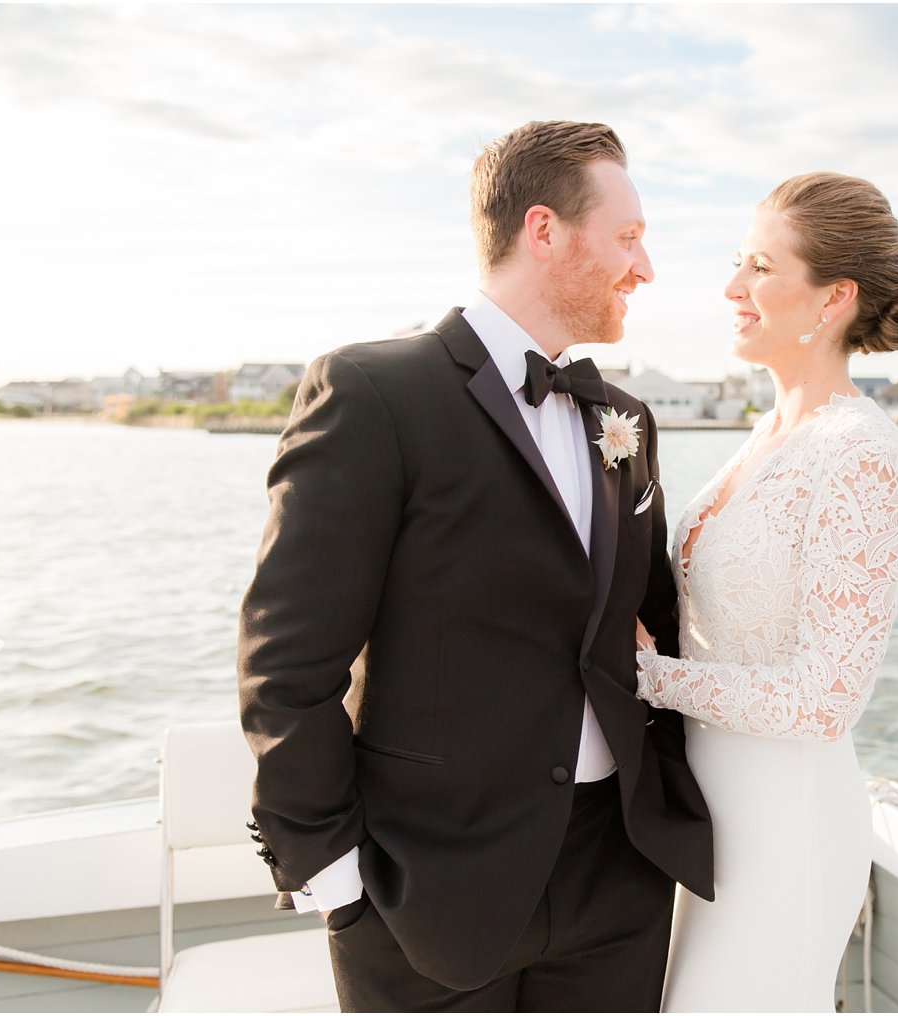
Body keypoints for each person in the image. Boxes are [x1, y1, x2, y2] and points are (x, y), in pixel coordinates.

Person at [237, 120, 713, 1012]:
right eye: (628, 237)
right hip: (426, 888)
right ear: (544, 231)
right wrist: (338, 884)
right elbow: (286, 663)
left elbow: (652, 627)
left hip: (616, 880)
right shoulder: (373, 391)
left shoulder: (627, 420)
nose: (644, 268)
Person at [634, 172, 898, 1012]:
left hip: (784, 827)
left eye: (761, 267)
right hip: (708, 822)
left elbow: (827, 698)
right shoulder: (766, 433)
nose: (733, 287)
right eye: (739, 262)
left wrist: (649, 677)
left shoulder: (860, 454)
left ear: (833, 297)